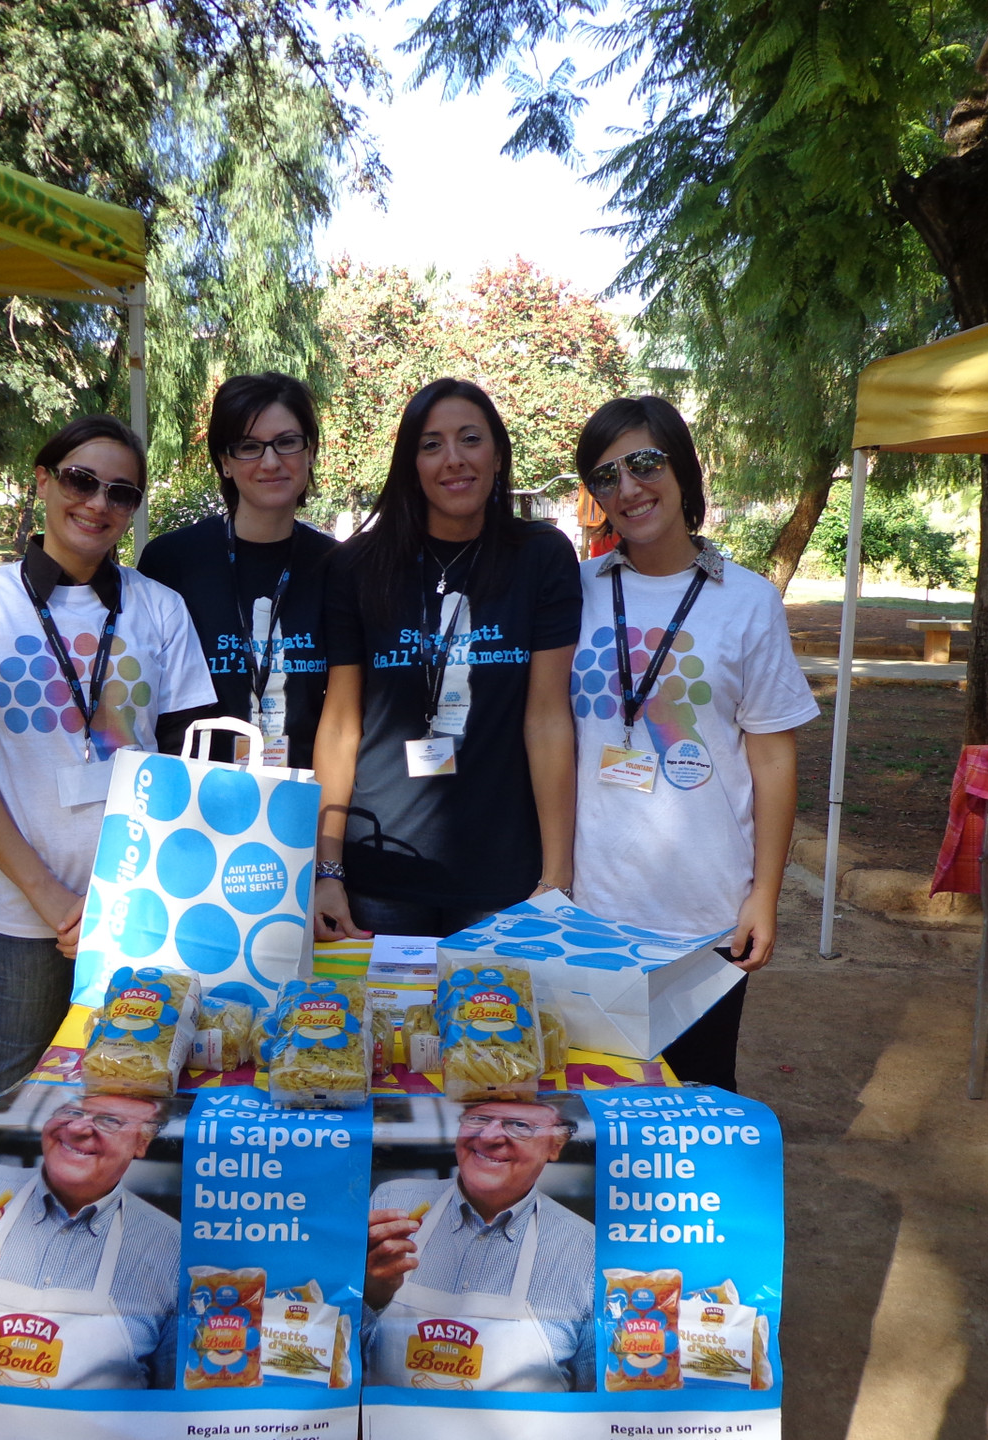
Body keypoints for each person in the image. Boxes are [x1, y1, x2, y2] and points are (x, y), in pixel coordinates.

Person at [0, 416, 214, 1316]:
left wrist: (142, 898)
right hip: (22, 908)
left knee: (130, 1100)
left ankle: (93, 1287)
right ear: (43, 480)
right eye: (82, 481)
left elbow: (198, 763)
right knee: (3, 1092)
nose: (98, 504)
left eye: (122, 492)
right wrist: (51, 898)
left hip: (145, 912)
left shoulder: (159, 608)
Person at [566, 397, 817, 1092]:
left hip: (704, 914)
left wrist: (763, 895)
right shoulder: (574, 592)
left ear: (683, 469)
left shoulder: (748, 601)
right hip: (591, 911)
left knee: (699, 1105)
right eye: (605, 476)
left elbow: (772, 756)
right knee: (595, 1107)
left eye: (645, 463)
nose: (629, 489)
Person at [313, 378, 580, 939]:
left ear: (498, 452)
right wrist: (327, 868)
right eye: (431, 444)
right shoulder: (357, 565)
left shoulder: (541, 557)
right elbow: (340, 725)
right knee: (385, 1028)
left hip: (503, 875)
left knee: (493, 1029)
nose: (453, 460)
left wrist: (557, 875)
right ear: (411, 462)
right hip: (379, 868)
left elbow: (549, 719)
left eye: (470, 439)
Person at [138, 372, 339, 768]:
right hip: (193, 804)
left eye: (287, 442)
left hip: (301, 802)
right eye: (249, 446)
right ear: (225, 462)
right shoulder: (170, 561)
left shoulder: (339, 566)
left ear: (310, 452)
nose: (270, 461)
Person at [0, 1093, 181, 1388]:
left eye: (110, 1121)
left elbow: (174, 1398)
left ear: (142, 1143)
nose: (78, 1129)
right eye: (71, 1110)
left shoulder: (172, 1247)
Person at [364, 1100, 595, 1391]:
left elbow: (598, 1407)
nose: (489, 1137)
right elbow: (330, 1359)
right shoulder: (391, 1203)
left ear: (555, 1144)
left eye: (519, 1125)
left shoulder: (586, 1251)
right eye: (478, 1118)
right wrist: (370, 1298)